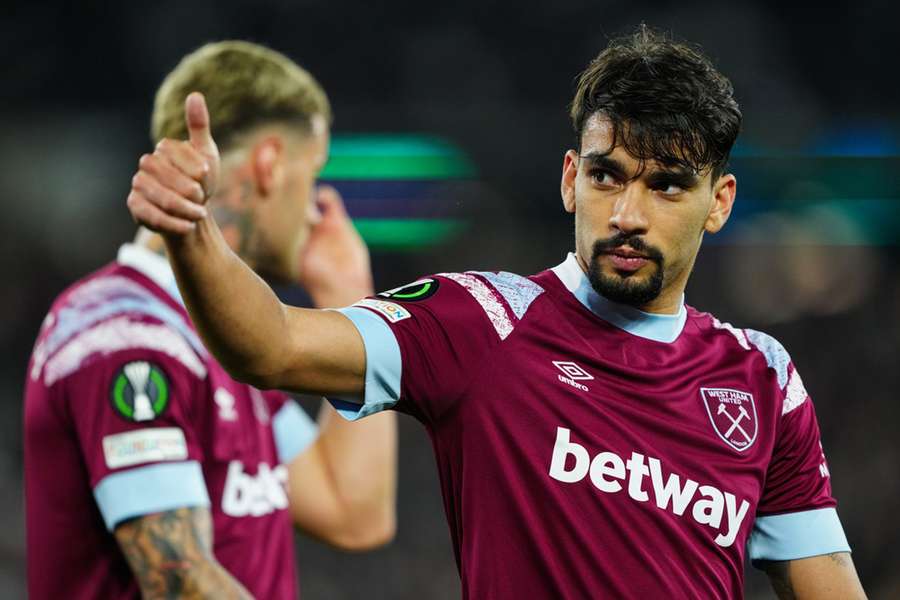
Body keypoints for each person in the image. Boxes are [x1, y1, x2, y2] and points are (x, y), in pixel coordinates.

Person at [124, 28, 867, 599]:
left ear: (720, 203)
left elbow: (825, 578)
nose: (629, 214)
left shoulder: (763, 381)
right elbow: (273, 345)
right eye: (608, 177)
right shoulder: (482, 322)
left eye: (667, 186)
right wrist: (195, 232)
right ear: (573, 179)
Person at [24, 41, 396, 600]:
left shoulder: (218, 343)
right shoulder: (126, 336)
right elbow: (180, 580)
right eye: (312, 172)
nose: (317, 205)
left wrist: (350, 295)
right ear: (271, 164)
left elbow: (354, 511)